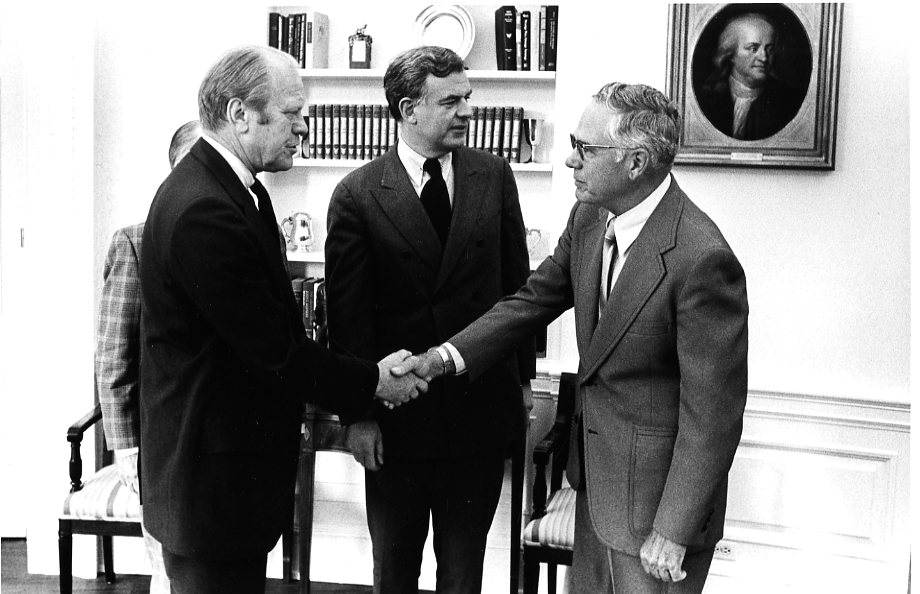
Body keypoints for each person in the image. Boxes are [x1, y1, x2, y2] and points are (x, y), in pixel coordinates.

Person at [409, 82, 749, 593]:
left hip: (657, 517)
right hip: (593, 490)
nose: (571, 160)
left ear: (636, 162)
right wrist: (439, 360)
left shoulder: (700, 257)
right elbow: (529, 303)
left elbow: (714, 416)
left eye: (586, 149)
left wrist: (673, 530)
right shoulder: (589, 219)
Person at [138, 45, 429, 594]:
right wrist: (375, 381)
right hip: (210, 489)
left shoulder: (233, 190)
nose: (304, 126)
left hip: (222, 482)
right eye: (292, 113)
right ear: (238, 113)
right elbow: (276, 352)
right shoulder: (205, 208)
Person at [324, 45, 535, 593]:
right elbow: (347, 320)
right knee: (394, 573)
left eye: (468, 97)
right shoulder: (357, 194)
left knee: (464, 575)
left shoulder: (493, 175)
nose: (468, 111)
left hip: (480, 409)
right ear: (407, 109)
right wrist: (359, 416)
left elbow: (519, 293)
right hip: (398, 424)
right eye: (451, 101)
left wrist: (526, 380)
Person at [95, 119, 201, 594]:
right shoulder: (135, 242)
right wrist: (127, 449)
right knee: (169, 571)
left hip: (217, 442)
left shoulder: (247, 235)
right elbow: (114, 355)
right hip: (157, 445)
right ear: (175, 171)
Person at [695, 12, 806, 141]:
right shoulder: (708, 97)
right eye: (753, 48)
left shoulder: (788, 101)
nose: (764, 58)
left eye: (769, 49)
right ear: (731, 54)